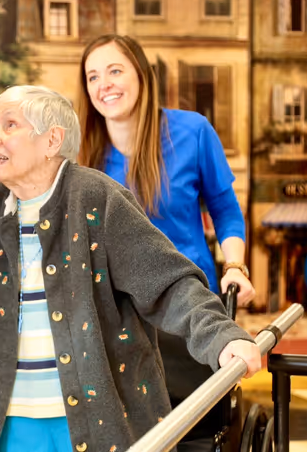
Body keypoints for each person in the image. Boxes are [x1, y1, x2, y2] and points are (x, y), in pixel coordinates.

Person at [0, 85, 261, 452]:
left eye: (9, 125)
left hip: (102, 422)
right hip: (5, 425)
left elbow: (169, 283)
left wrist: (222, 336)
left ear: (51, 141)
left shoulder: (99, 199)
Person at [78, 34, 256, 451]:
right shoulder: (82, 150)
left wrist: (235, 266)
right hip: (111, 312)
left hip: (184, 302)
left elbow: (225, 209)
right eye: (93, 76)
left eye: (115, 70)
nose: (105, 84)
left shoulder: (192, 131)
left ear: (142, 74)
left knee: (189, 429)